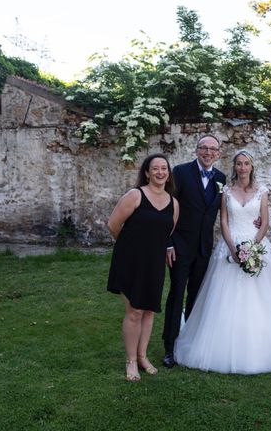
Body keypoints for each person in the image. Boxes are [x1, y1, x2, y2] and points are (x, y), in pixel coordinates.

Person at [174, 150, 271, 374]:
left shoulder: (261, 191)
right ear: (235, 167)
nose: (242, 167)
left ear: (252, 166)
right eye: (239, 164)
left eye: (246, 163)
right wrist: (233, 249)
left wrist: (252, 247)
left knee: (266, 300)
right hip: (229, 246)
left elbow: (264, 223)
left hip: (256, 245)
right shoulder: (226, 191)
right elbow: (223, 221)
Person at [107, 153, 179, 381]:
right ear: (147, 173)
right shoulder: (135, 195)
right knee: (134, 311)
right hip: (130, 260)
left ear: (168, 174)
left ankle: (142, 356)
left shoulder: (174, 203)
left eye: (164, 169)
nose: (160, 172)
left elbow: (167, 232)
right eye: (155, 168)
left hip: (154, 262)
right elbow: (113, 224)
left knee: (149, 310)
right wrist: (131, 247)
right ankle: (130, 361)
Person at [161, 135, 227, 368]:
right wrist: (168, 242)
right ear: (196, 150)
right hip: (179, 246)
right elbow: (169, 208)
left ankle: (189, 342)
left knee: (197, 296)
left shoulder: (221, 178)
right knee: (177, 294)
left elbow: (226, 210)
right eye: (204, 148)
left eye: (213, 149)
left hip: (204, 248)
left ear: (218, 153)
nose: (208, 152)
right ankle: (169, 346)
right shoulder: (180, 172)